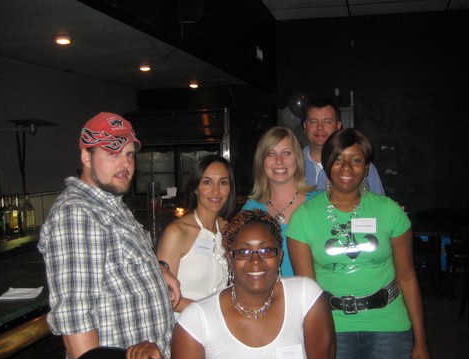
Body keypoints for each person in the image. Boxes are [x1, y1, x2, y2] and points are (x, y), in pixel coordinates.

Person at [126, 209, 336, 359]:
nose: (255, 260)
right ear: (229, 259)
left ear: (279, 256)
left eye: (265, 250)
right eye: (243, 251)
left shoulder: (305, 297)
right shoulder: (198, 319)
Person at [287, 128, 431, 359]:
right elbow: (306, 295)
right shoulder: (303, 218)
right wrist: (308, 350)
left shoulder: (390, 211)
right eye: (338, 159)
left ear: (366, 168)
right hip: (333, 329)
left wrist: (421, 340)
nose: (346, 168)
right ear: (327, 164)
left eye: (356, 160)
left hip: (389, 326)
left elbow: (407, 277)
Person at [38, 112, 179, 359]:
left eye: (129, 155)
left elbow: (117, 259)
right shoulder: (77, 213)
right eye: (113, 153)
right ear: (86, 157)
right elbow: (75, 319)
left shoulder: (110, 204)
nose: (125, 164)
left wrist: (158, 269)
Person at [157, 155, 236, 318]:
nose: (216, 191)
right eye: (207, 182)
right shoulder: (177, 232)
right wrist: (213, 312)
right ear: (195, 187)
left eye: (223, 182)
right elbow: (163, 295)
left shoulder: (227, 230)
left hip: (216, 325)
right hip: (183, 325)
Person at [242, 126, 319, 277]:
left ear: (297, 158)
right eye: (271, 154)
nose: (279, 161)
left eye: (286, 153)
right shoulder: (250, 209)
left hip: (315, 290)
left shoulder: (319, 202)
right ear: (261, 161)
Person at [303, 97, 385, 195]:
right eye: (313, 122)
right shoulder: (292, 164)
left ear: (338, 126)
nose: (320, 127)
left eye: (327, 122)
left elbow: (378, 202)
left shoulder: (360, 165)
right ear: (305, 126)